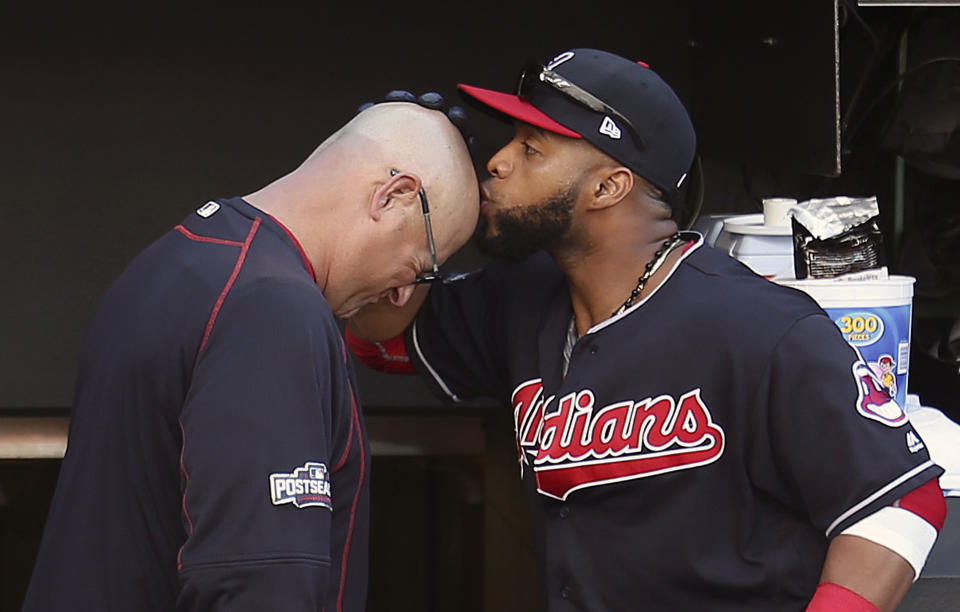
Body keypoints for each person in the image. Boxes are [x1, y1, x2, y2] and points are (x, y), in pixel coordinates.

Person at [347, 49, 948, 611]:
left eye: (533, 149)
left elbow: (898, 499)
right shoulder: (522, 296)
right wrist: (404, 215)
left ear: (610, 187)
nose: (498, 161)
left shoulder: (759, 326)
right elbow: (378, 335)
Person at [21, 101, 479, 611]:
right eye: (422, 265)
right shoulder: (273, 307)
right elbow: (259, 585)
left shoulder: (179, 257)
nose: (402, 295)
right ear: (393, 196)